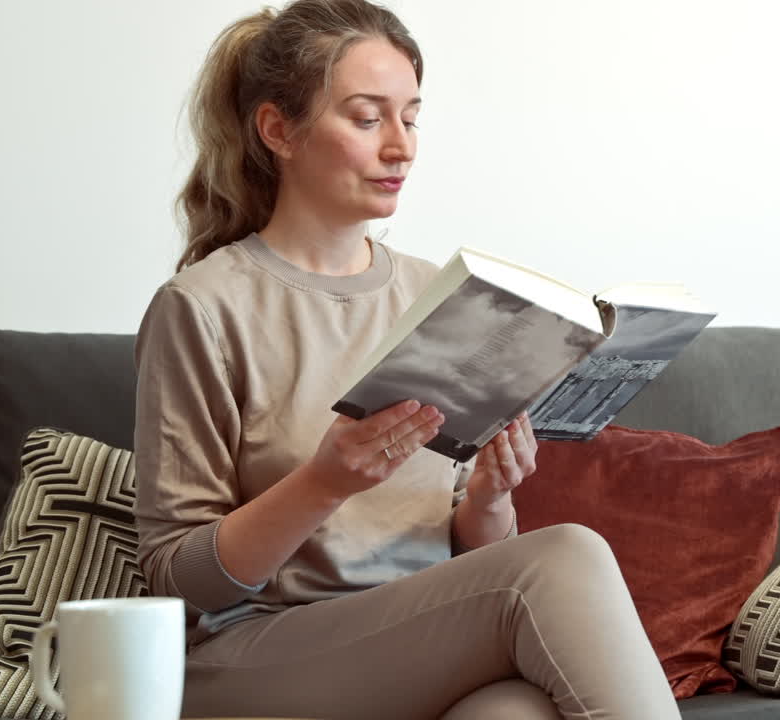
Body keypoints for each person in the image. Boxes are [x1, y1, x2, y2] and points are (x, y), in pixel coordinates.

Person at [132, 1, 682, 718]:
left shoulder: (435, 293)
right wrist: (324, 484)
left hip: (415, 642)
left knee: (516, 714)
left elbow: (466, 551)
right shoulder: (203, 307)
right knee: (565, 555)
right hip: (257, 657)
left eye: (411, 118)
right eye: (368, 119)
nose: (402, 147)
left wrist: (489, 498)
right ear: (278, 131)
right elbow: (178, 577)